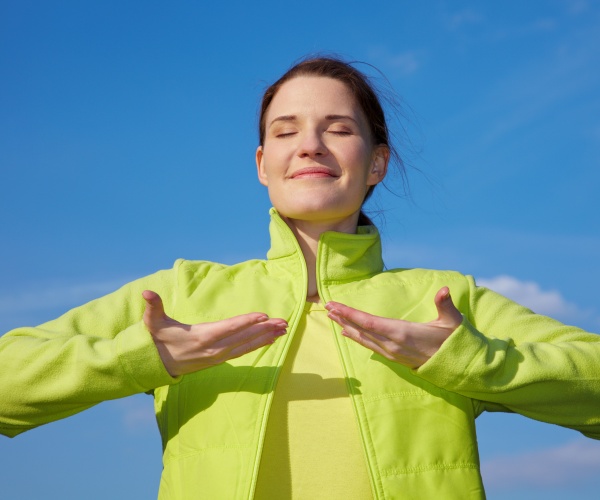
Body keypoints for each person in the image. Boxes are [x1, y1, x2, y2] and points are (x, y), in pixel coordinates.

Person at [1, 57, 599, 499]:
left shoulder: (443, 300)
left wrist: (472, 361)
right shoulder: (181, 294)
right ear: (263, 164)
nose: (309, 145)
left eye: (338, 128)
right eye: (285, 131)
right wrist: (140, 357)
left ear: (378, 162)